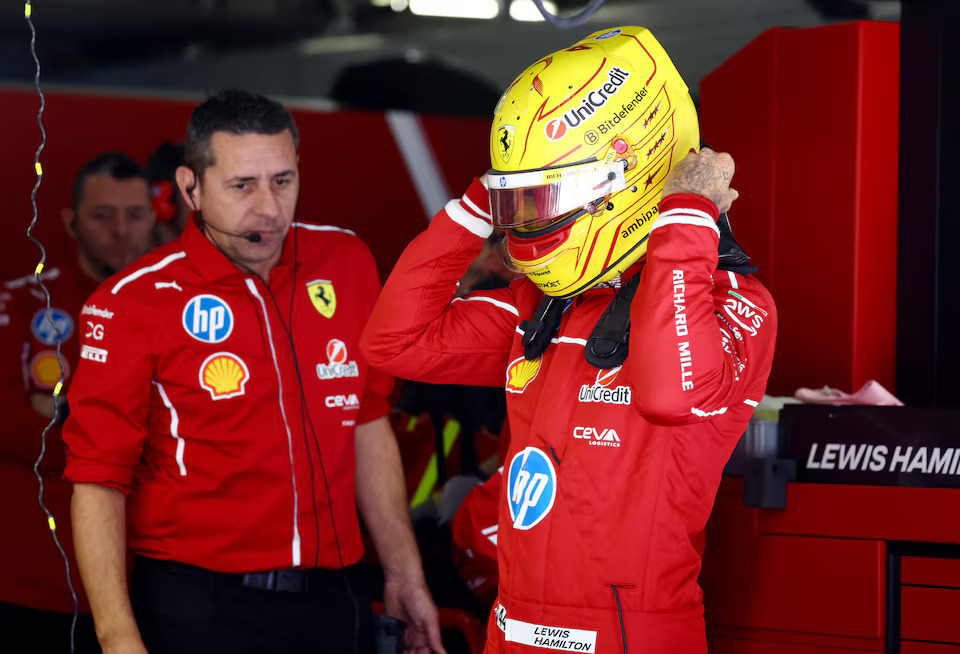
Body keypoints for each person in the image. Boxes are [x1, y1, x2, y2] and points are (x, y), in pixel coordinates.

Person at [360, 26, 777, 653]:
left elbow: (669, 394)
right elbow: (394, 342)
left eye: (542, 197)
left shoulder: (735, 303)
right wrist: (482, 204)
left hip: (629, 636)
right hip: (512, 628)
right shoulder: (545, 310)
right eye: (520, 199)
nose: (527, 218)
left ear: (627, 179)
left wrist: (689, 217)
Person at [62, 90, 443, 654]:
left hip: (334, 594)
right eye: (243, 185)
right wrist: (117, 636)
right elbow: (98, 479)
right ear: (191, 187)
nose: (268, 206)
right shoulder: (131, 300)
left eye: (282, 181)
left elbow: (364, 422)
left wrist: (404, 572)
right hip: (199, 603)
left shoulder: (346, 261)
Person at [0, 151, 156, 653]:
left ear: (155, 217)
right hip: (25, 584)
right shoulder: (20, 303)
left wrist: (66, 428)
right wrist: (126, 446)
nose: (120, 231)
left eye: (134, 215)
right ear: (70, 221)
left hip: (144, 583)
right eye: (102, 215)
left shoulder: (182, 312)